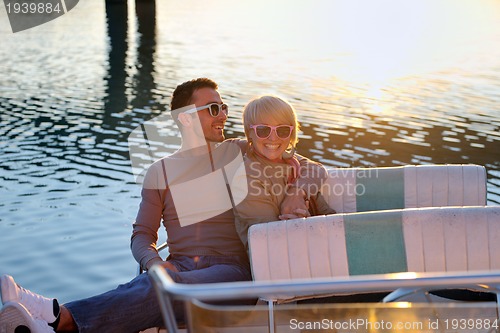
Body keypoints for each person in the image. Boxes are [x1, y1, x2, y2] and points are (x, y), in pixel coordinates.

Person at [0, 78, 328, 333]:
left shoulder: (239, 152)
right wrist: (154, 262)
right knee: (156, 281)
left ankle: (58, 315)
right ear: (185, 119)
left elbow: (311, 167)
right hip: (180, 266)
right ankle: (50, 321)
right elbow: (142, 235)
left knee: (164, 286)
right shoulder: (160, 171)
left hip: (232, 271)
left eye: (224, 106)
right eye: (213, 109)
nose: (224, 115)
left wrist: (297, 192)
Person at [231, 95, 335, 249]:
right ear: (249, 133)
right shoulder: (246, 178)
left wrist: (297, 192)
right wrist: (305, 225)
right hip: (275, 261)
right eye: (263, 130)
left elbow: (317, 168)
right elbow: (271, 240)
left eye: (283, 130)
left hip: (315, 248)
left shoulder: (292, 163)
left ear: (291, 134)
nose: (273, 138)